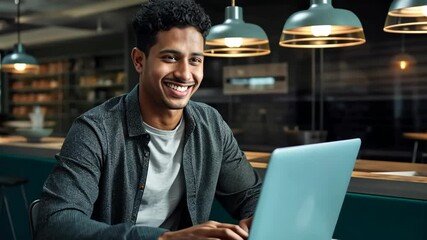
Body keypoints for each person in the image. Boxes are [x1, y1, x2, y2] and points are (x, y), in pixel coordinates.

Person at [35, 0, 262, 239]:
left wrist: (260, 217)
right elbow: (55, 223)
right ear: (139, 60)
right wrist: (162, 238)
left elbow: (250, 195)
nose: (185, 74)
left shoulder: (211, 124)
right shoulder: (95, 130)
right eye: (170, 58)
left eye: (195, 60)